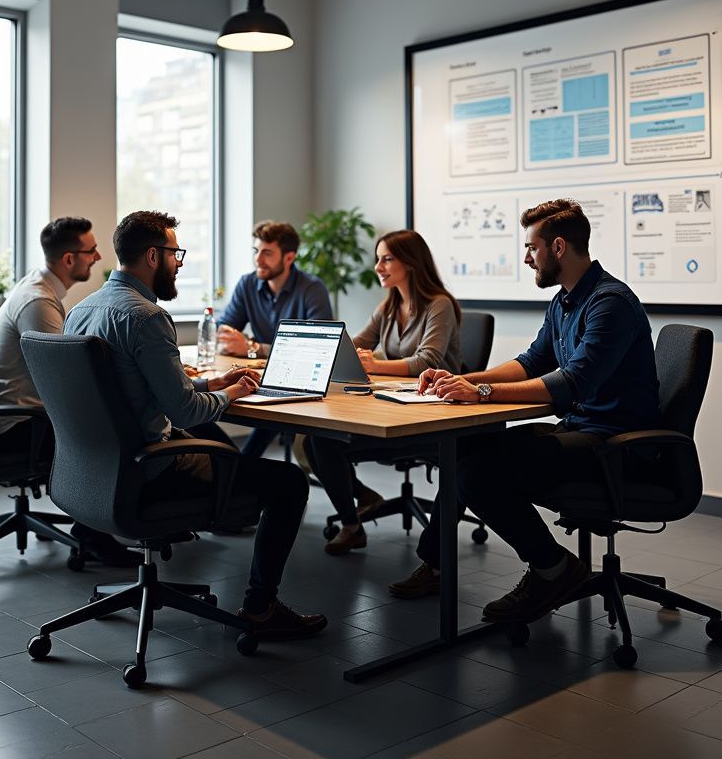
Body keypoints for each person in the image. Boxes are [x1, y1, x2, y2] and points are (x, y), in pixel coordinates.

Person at [389, 199, 661, 626]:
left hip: (614, 445)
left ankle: (553, 568)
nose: (525, 256)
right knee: (463, 444)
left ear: (557, 247)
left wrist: (479, 392)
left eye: (531, 248)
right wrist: (457, 379)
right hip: (580, 431)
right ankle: (437, 563)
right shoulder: (565, 302)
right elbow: (532, 361)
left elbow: (572, 384)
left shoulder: (611, 303)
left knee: (478, 476)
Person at [64, 210, 328, 639]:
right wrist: (231, 395)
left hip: (96, 470)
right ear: (153, 256)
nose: (180, 262)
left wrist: (212, 381)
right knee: (290, 483)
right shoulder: (147, 317)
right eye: (175, 253)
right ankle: (260, 608)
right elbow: (185, 413)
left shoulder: (81, 311)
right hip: (152, 470)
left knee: (225, 445)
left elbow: (138, 384)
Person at [0, 216, 137, 568]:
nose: (98, 258)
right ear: (70, 259)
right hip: (20, 426)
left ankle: (96, 524)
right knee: (113, 437)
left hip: (17, 416)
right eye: (92, 250)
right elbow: (65, 379)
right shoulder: (39, 302)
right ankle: (94, 534)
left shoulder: (38, 290)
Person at [304, 230, 463, 556]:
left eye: (387, 258)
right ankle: (352, 526)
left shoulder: (440, 305)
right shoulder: (389, 306)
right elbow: (354, 345)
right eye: (378, 258)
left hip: (432, 416)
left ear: (412, 262)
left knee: (322, 441)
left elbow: (426, 361)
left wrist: (374, 364)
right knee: (315, 439)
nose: (378, 266)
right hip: (393, 406)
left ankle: (425, 551)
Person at [216, 220, 332, 458]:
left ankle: (240, 469)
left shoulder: (312, 289)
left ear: (289, 257)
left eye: (267, 253)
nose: (258, 260)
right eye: (256, 251)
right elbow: (223, 331)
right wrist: (243, 345)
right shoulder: (247, 284)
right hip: (262, 376)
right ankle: (239, 469)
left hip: (301, 380)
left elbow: (319, 348)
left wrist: (251, 347)